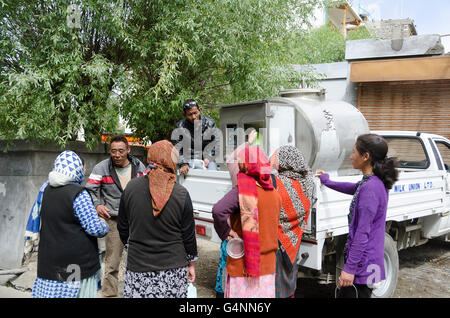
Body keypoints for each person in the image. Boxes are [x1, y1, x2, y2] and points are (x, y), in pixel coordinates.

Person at [316, 134, 398, 298]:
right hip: (369, 261)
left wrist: (349, 269)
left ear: (366, 156)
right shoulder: (373, 182)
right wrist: (327, 180)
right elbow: (354, 187)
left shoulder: (371, 188)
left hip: (363, 266)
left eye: (354, 152)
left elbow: (362, 233)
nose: (351, 156)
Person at [117, 140, 198, 298]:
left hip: (138, 267)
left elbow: (122, 227)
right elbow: (188, 235)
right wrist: (192, 264)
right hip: (174, 269)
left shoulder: (131, 189)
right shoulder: (181, 193)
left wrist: (132, 246)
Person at [25, 151, 109, 298]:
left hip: (50, 262)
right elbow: (95, 229)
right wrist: (103, 222)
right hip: (75, 264)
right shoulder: (78, 194)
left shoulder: (46, 191)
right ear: (76, 169)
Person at [212, 146, 281, 298]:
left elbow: (218, 210)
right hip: (268, 266)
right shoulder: (275, 194)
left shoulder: (241, 191)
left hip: (243, 265)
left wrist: (227, 232)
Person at [85, 135, 145, 297]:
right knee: (112, 263)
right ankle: (109, 295)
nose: (117, 154)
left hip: (137, 221)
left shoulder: (139, 166)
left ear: (128, 150)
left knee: (139, 260)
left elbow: (147, 188)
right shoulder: (101, 168)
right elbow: (89, 189)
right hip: (114, 222)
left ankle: (137, 292)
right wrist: (97, 205)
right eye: (113, 151)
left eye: (120, 151)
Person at [269, 145, 314, 298]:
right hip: (293, 242)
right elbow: (307, 171)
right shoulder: (308, 183)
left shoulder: (275, 182)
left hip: (276, 242)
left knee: (275, 286)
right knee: (289, 283)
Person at [172, 99, 218, 176]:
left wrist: (208, 158)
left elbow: (214, 143)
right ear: (185, 115)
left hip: (207, 158)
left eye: (195, 113)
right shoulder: (179, 127)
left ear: (199, 110)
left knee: (213, 174)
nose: (193, 117)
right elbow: (177, 148)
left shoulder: (210, 123)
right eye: (190, 114)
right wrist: (183, 163)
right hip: (188, 159)